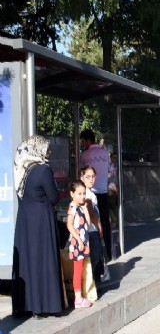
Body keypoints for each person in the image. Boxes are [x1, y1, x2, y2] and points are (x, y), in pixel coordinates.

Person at [12, 135, 65, 317]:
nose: (48, 152)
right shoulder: (43, 170)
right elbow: (53, 197)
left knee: (28, 262)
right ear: (38, 150)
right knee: (43, 261)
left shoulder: (23, 169)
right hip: (42, 221)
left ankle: (28, 306)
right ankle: (45, 305)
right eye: (46, 148)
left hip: (26, 221)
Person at [80, 129, 112, 260]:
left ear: (87, 140)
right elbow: (109, 170)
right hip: (104, 192)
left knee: (92, 225)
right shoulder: (105, 153)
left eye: (83, 141)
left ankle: (97, 255)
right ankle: (110, 252)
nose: (83, 144)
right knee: (105, 222)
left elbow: (81, 172)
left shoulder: (85, 155)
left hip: (90, 193)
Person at [66, 180, 94, 308]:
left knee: (81, 269)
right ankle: (78, 298)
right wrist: (78, 240)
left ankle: (80, 296)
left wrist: (86, 210)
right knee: (77, 270)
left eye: (84, 193)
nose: (82, 196)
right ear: (72, 194)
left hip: (83, 241)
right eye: (79, 194)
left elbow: (87, 223)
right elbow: (69, 225)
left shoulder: (81, 207)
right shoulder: (72, 207)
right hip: (78, 243)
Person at [79, 166, 107, 282]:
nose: (91, 179)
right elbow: (91, 213)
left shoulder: (89, 193)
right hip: (91, 231)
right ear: (82, 178)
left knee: (94, 257)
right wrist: (99, 226)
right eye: (88, 177)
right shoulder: (87, 195)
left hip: (89, 230)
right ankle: (93, 283)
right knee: (95, 257)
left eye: (93, 176)